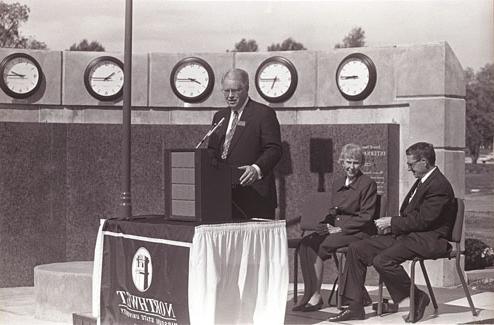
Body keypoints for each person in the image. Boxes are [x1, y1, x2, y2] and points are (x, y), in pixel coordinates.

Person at [328, 142, 457, 323]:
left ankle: (418, 297)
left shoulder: (439, 185)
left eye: (411, 164)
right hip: (409, 236)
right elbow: (414, 217)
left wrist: (392, 222)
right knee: (357, 248)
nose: (408, 168)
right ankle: (355, 306)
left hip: (428, 239)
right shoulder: (423, 180)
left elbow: (425, 220)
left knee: (383, 260)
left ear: (425, 161)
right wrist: (393, 226)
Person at [292, 143, 378, 312]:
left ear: (361, 164)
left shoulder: (368, 184)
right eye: (348, 162)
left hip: (357, 232)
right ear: (342, 162)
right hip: (336, 229)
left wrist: (341, 229)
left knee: (319, 246)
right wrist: (326, 223)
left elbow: (366, 216)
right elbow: (334, 210)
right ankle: (308, 294)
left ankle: (316, 297)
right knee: (306, 243)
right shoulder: (338, 182)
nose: (351, 167)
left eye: (355, 162)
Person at [207, 68, 282, 219]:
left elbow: (274, 149)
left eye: (235, 91)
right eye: (226, 91)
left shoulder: (263, 114)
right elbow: (212, 150)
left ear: (246, 88)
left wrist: (256, 168)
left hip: (254, 197)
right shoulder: (219, 116)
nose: (230, 96)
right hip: (224, 197)